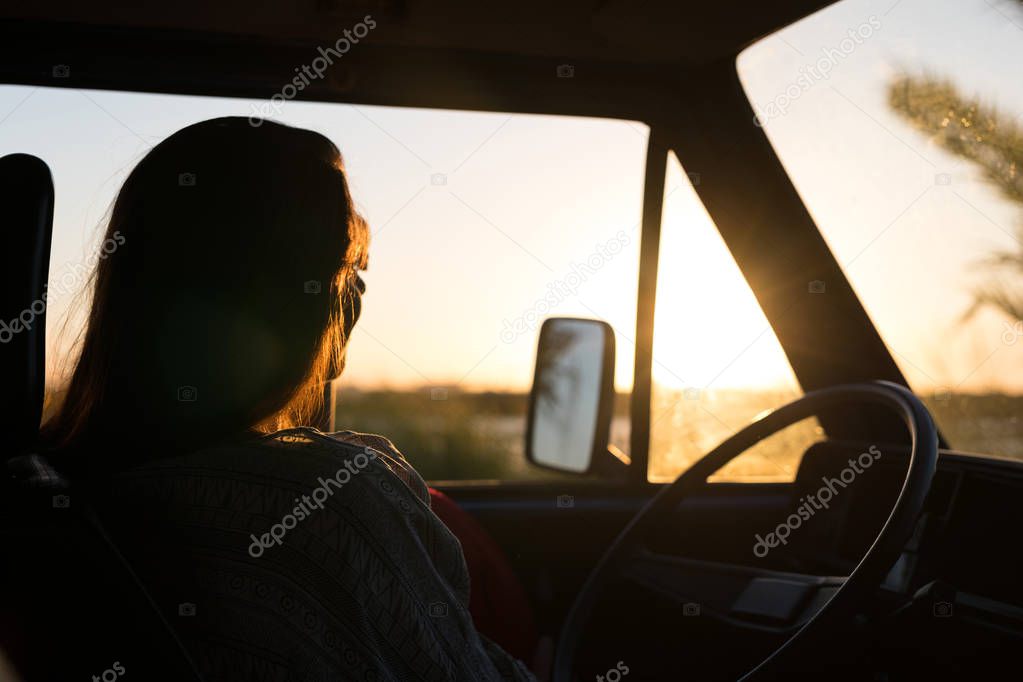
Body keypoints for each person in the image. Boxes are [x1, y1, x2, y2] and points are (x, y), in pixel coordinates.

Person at [41, 117, 536, 681]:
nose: (357, 300)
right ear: (297, 299)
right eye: (348, 271)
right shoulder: (325, 504)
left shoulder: (56, 487)